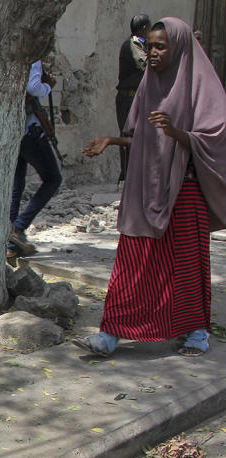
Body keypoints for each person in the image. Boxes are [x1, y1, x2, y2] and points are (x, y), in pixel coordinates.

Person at [78, 18, 226, 358]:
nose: (152, 53)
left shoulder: (202, 86)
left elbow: (216, 140)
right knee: (133, 261)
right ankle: (109, 335)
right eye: (150, 46)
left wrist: (177, 133)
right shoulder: (149, 83)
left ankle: (196, 332)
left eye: (161, 47)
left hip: (186, 193)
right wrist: (112, 140)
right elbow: (142, 136)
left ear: (179, 48)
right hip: (146, 189)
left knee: (186, 267)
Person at [7, 60, 63, 259]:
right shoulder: (31, 56)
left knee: (16, 186)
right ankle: (19, 227)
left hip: (12, 130)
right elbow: (33, 87)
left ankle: (11, 242)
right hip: (30, 130)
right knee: (53, 179)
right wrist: (48, 86)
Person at [116, 13, 150, 182]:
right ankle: (127, 177)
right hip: (128, 99)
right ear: (144, 28)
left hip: (134, 98)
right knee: (128, 136)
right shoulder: (134, 44)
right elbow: (144, 65)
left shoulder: (141, 44)